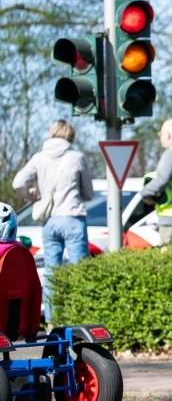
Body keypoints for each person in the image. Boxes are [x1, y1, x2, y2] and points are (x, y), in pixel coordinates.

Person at [12, 119, 93, 323]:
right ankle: (79, 316)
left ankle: (52, 320)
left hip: (49, 221)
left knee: (51, 273)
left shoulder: (39, 158)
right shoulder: (76, 157)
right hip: (73, 217)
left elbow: (17, 182)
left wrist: (32, 194)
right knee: (78, 271)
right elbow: (89, 193)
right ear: (70, 136)